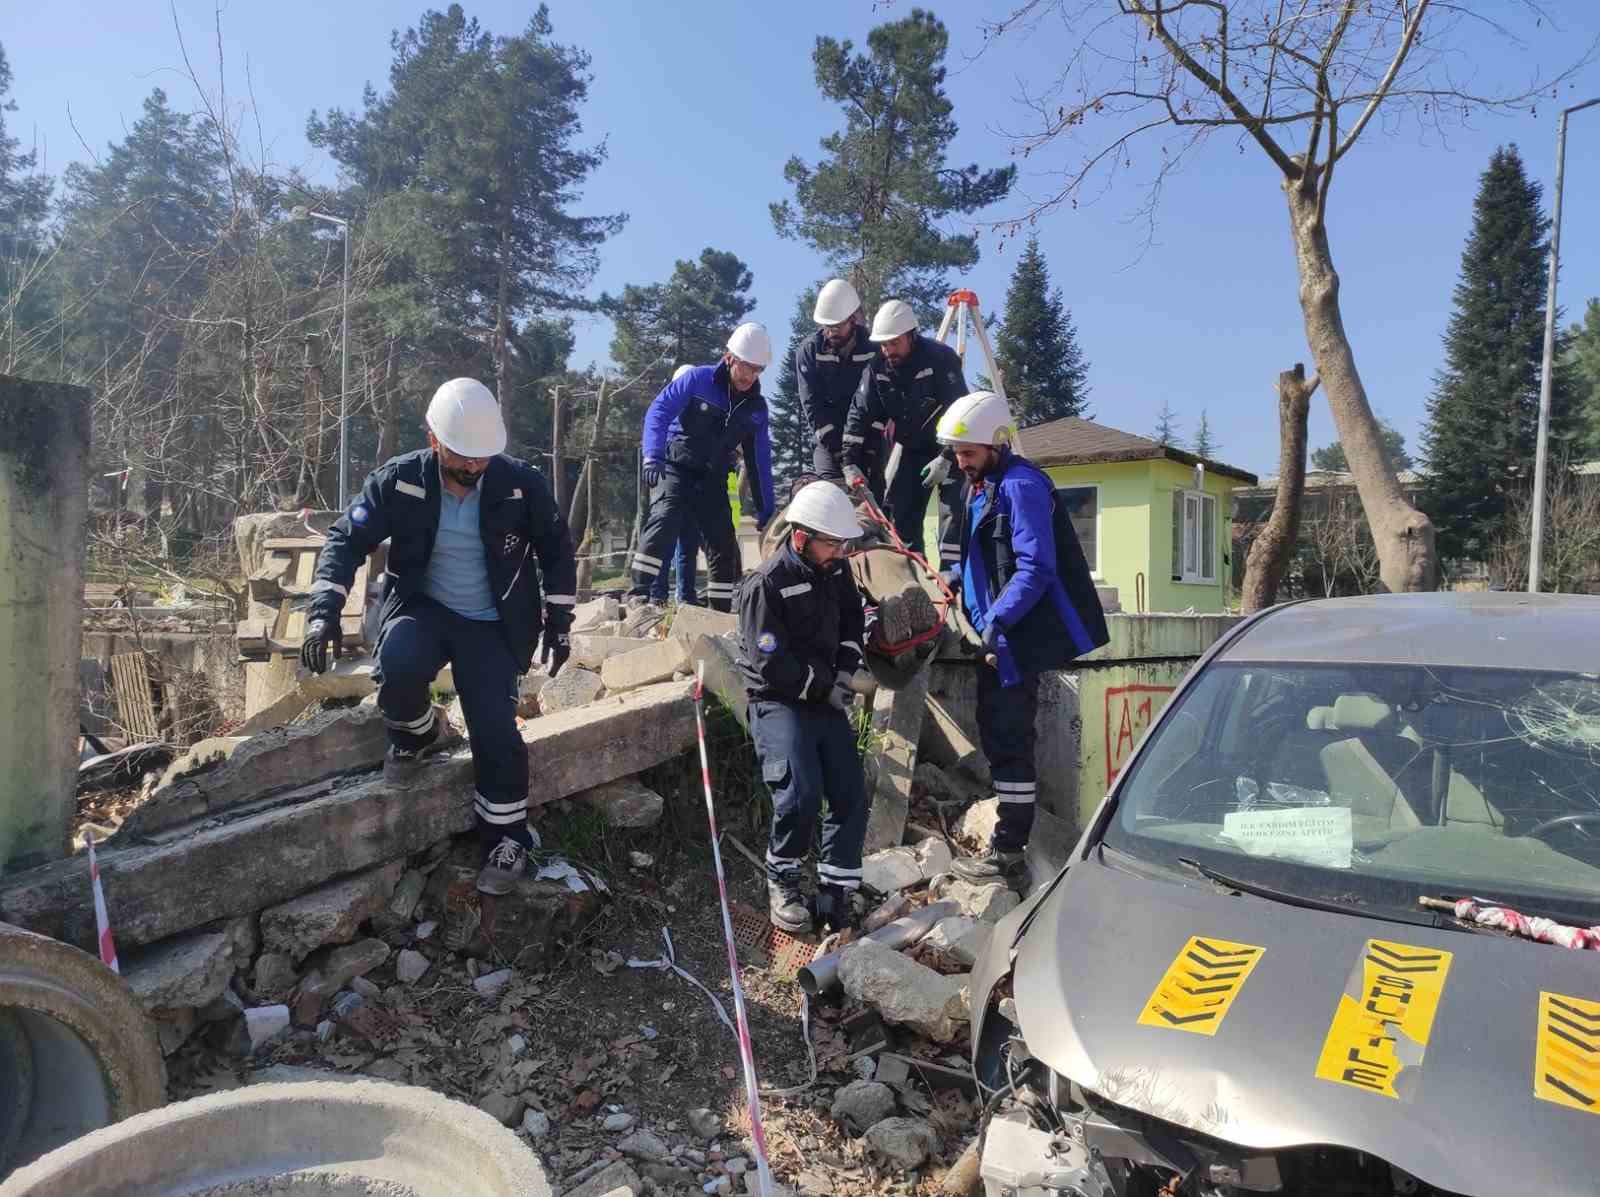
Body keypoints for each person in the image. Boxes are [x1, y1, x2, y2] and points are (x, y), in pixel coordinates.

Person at [300, 378, 577, 896]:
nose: (472, 471)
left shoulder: (522, 483)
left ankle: (506, 835)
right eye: (460, 459)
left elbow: (557, 549)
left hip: (494, 624)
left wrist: (560, 621)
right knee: (398, 673)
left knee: (494, 728)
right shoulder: (400, 479)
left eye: (481, 460)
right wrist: (324, 611)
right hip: (423, 608)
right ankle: (420, 735)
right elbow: (346, 538)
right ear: (434, 441)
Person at [936, 390, 1109, 881]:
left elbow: (1035, 568)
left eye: (967, 453)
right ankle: (1008, 845)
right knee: (998, 735)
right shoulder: (985, 484)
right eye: (956, 453)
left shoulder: (1021, 487)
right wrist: (953, 577)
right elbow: (981, 558)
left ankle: (1008, 852)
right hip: (995, 637)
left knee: (1010, 740)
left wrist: (995, 624)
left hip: (1010, 642)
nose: (959, 462)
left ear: (997, 443)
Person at [738, 481, 870, 934]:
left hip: (826, 695)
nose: (838, 552)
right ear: (800, 537)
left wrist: (847, 671)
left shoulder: (836, 571)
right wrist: (823, 687)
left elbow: (854, 621)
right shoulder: (765, 585)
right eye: (831, 543)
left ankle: (835, 890)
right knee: (800, 794)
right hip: (779, 702)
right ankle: (784, 880)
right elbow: (770, 662)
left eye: (841, 544)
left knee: (850, 792)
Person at [630, 323, 777, 612]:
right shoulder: (697, 380)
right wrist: (652, 455)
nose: (749, 375)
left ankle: (720, 611)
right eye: (745, 366)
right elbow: (658, 411)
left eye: (757, 369)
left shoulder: (756, 408)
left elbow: (759, 461)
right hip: (675, 465)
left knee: (722, 539)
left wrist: (766, 509)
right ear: (729, 357)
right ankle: (640, 595)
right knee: (666, 514)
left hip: (713, 476)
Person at [841, 299, 968, 570]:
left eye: (894, 343)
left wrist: (947, 457)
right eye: (884, 344)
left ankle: (953, 581)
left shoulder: (941, 359)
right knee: (902, 515)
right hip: (913, 450)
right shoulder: (877, 368)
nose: (888, 350)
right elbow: (859, 414)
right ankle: (916, 578)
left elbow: (961, 411)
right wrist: (849, 462)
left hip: (953, 450)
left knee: (955, 516)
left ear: (911, 335)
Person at [795, 279, 877, 482]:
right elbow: (812, 405)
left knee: (873, 500)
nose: (831, 332)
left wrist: (861, 452)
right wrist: (841, 456)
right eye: (826, 326)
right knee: (829, 495)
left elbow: (877, 400)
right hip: (829, 440)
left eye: (837, 326)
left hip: (868, 439)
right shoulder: (809, 351)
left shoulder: (874, 349)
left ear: (853, 319)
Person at [648, 365, 705, 606]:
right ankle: (656, 595)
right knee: (664, 544)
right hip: (668, 491)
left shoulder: (698, 423)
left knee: (687, 547)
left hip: (691, 493)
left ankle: (686, 599)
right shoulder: (666, 420)